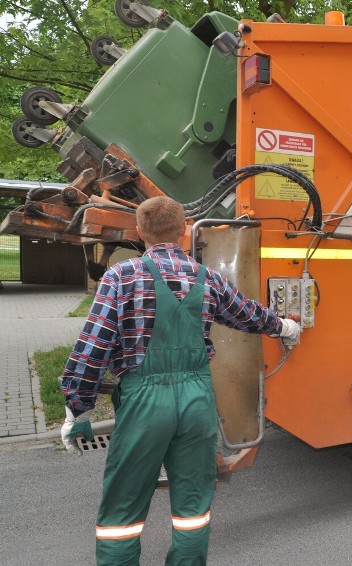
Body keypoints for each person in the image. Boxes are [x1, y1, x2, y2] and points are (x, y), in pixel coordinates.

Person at [60, 196, 300, 565]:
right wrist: (284, 325)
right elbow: (248, 315)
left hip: (144, 404)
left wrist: (76, 409)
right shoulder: (207, 278)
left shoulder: (121, 276)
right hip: (196, 401)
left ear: (140, 233)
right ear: (185, 228)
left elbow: (93, 348)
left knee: (121, 513)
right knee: (192, 508)